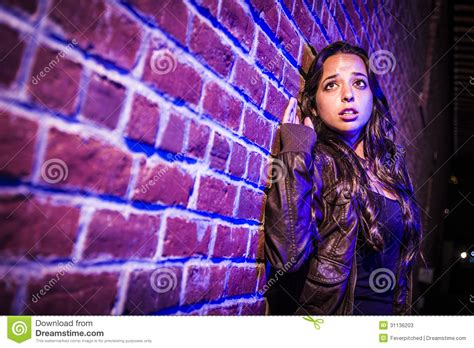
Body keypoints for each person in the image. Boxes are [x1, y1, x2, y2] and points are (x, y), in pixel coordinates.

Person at [263, 41, 424, 315]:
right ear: (314, 103)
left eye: (359, 83)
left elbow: (400, 278)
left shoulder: (391, 169)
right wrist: (296, 149)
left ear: (373, 97)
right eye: (331, 85)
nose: (348, 95)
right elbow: (287, 256)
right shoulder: (320, 162)